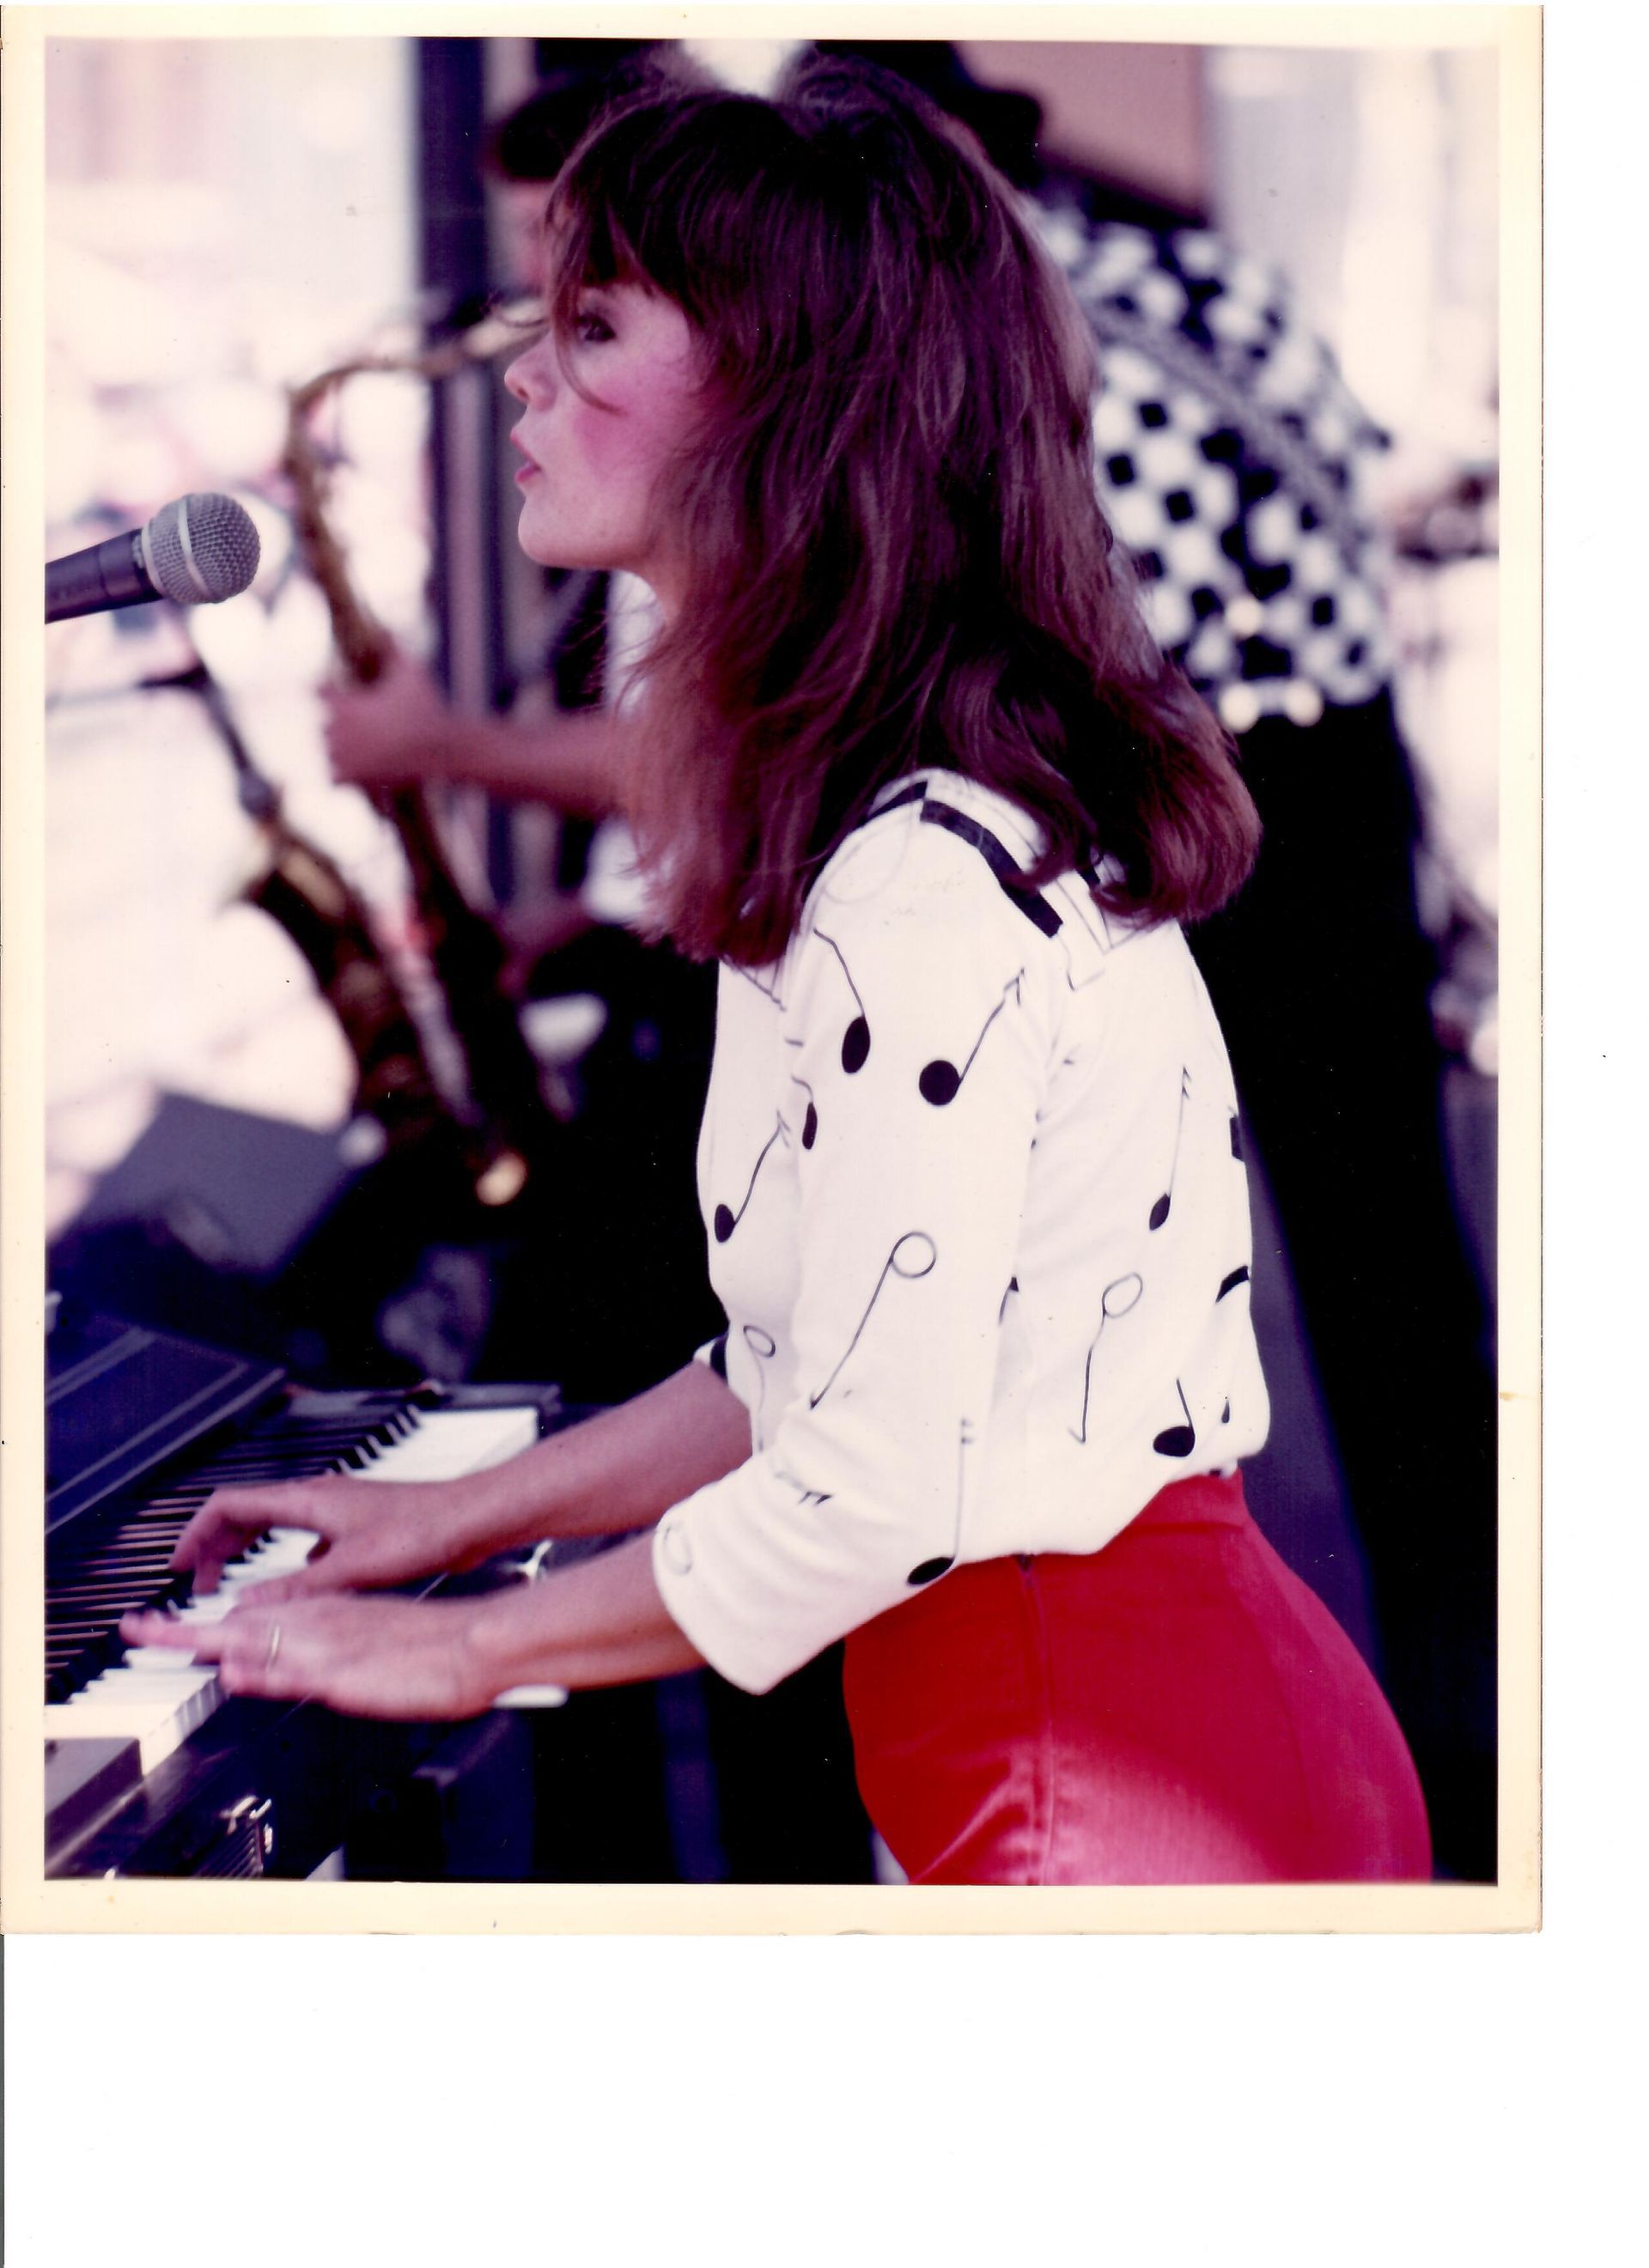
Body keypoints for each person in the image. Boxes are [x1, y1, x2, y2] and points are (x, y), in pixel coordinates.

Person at [124, 57, 1430, 1885]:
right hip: (1059, 1741)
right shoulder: (871, 838)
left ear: (777, 406)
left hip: (1108, 1785)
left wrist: (454, 1651)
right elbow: (795, 1371)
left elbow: (867, 1491)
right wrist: (432, 1523)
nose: (523, 373)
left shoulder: (917, 886)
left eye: (591, 326)